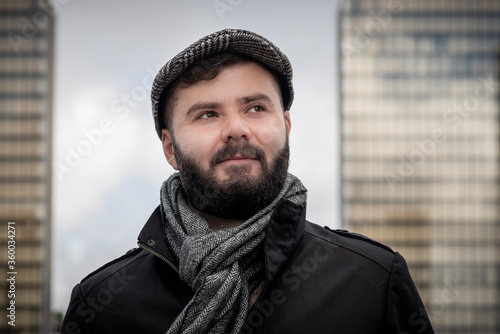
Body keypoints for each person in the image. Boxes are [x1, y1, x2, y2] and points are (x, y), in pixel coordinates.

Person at [61, 29, 434, 334]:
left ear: (285, 128)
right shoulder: (102, 304)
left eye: (255, 108)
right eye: (207, 114)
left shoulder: (373, 280)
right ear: (170, 148)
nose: (236, 129)